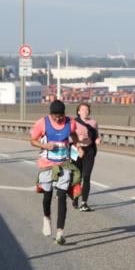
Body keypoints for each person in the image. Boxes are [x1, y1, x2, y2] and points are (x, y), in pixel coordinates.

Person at [30, 100, 80, 245]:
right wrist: (44, 145)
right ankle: (46, 217)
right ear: (50, 114)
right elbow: (32, 140)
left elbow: (75, 136)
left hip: (64, 164)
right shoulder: (42, 123)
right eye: (55, 116)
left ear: (64, 114)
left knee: (62, 196)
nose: (58, 119)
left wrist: (76, 145)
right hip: (46, 164)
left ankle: (60, 233)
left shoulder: (71, 123)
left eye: (60, 116)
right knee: (47, 195)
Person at [72, 102, 101, 211]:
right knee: (77, 177)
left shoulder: (93, 123)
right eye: (83, 109)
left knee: (87, 177)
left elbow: (96, 135)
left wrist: (97, 140)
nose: (85, 111)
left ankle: (84, 203)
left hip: (89, 150)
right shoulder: (73, 123)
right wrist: (77, 142)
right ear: (78, 111)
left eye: (87, 109)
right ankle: (75, 197)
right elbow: (70, 137)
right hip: (77, 150)